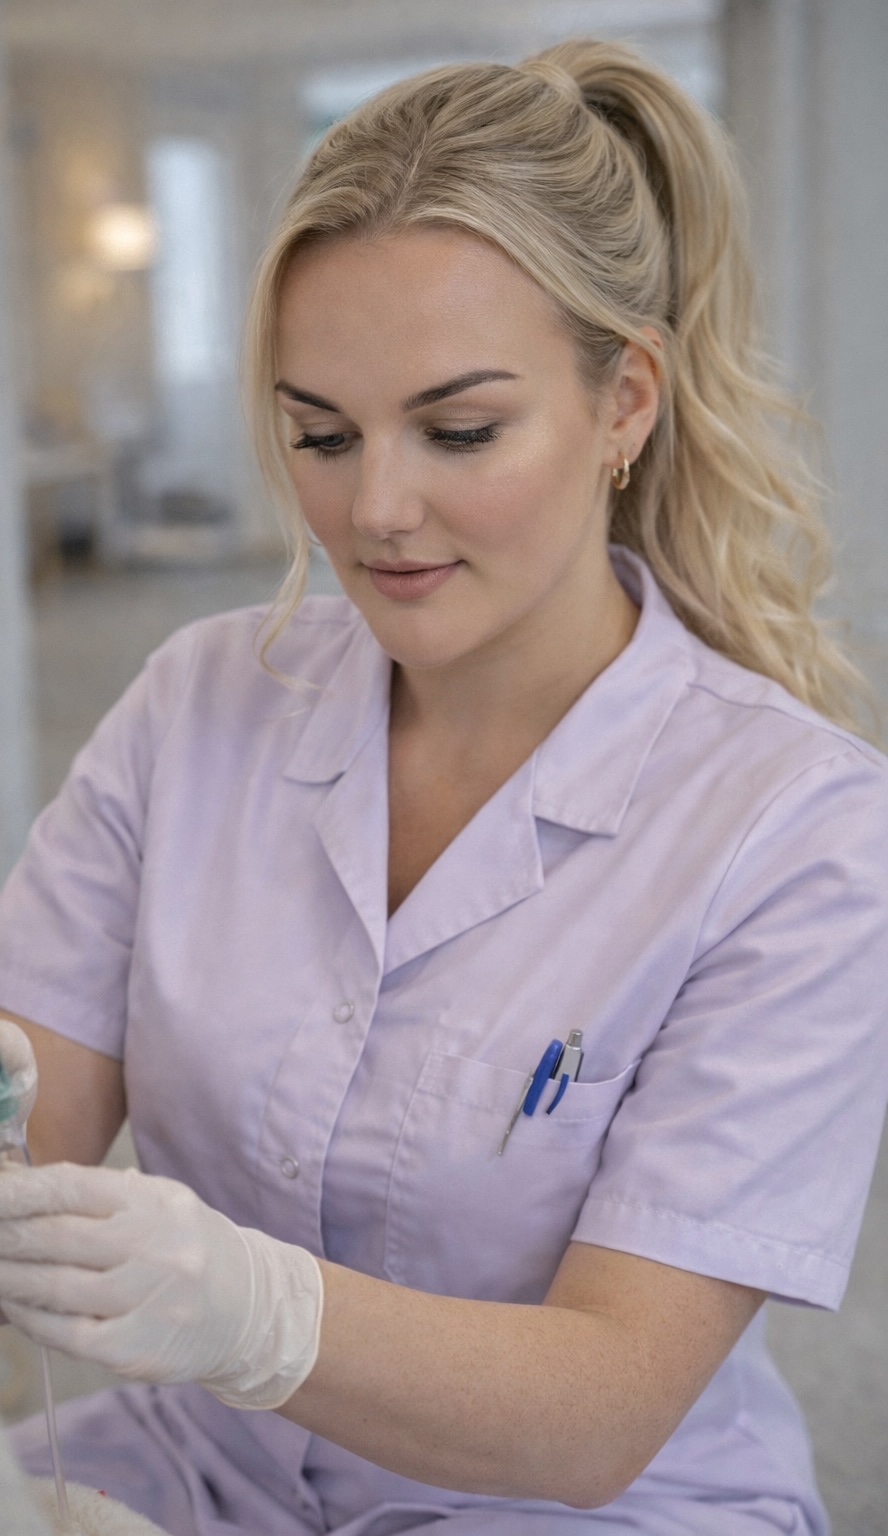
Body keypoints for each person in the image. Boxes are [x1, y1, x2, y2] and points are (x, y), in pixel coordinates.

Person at [0, 38, 885, 1536]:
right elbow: (34, 1107)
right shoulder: (196, 704)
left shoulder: (801, 831)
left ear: (626, 403)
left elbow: (603, 1408)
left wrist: (259, 1311)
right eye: (320, 435)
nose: (376, 509)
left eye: (458, 432)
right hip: (199, 1469)